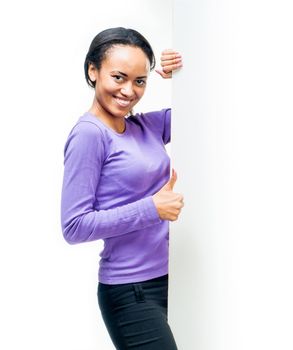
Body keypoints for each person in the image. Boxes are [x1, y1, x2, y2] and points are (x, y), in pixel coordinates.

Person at [60, 27, 184, 350]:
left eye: (139, 81)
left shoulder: (144, 126)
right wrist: (151, 209)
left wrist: (185, 75)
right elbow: (74, 226)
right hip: (130, 291)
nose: (129, 90)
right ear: (93, 70)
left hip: (172, 279)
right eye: (119, 77)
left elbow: (199, 114)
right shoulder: (89, 134)